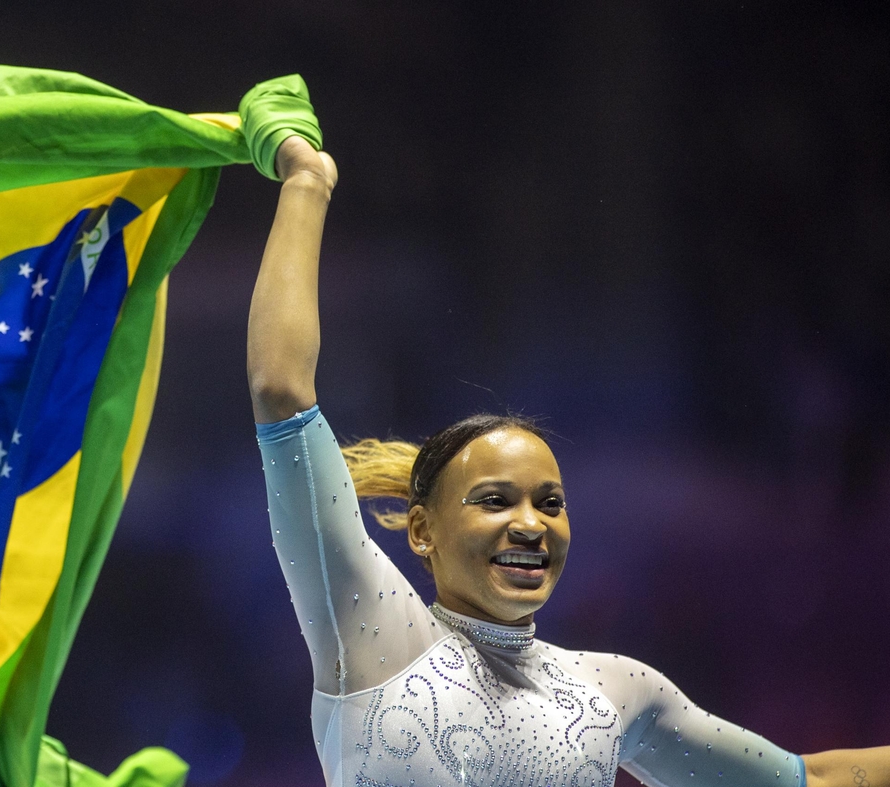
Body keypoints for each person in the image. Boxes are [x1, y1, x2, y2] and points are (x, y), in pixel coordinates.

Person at [247, 135, 888, 787]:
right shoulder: (377, 634)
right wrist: (307, 180)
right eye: (495, 499)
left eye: (549, 501)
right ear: (422, 529)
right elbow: (282, 391)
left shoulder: (616, 690)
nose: (531, 522)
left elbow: (801, 780)